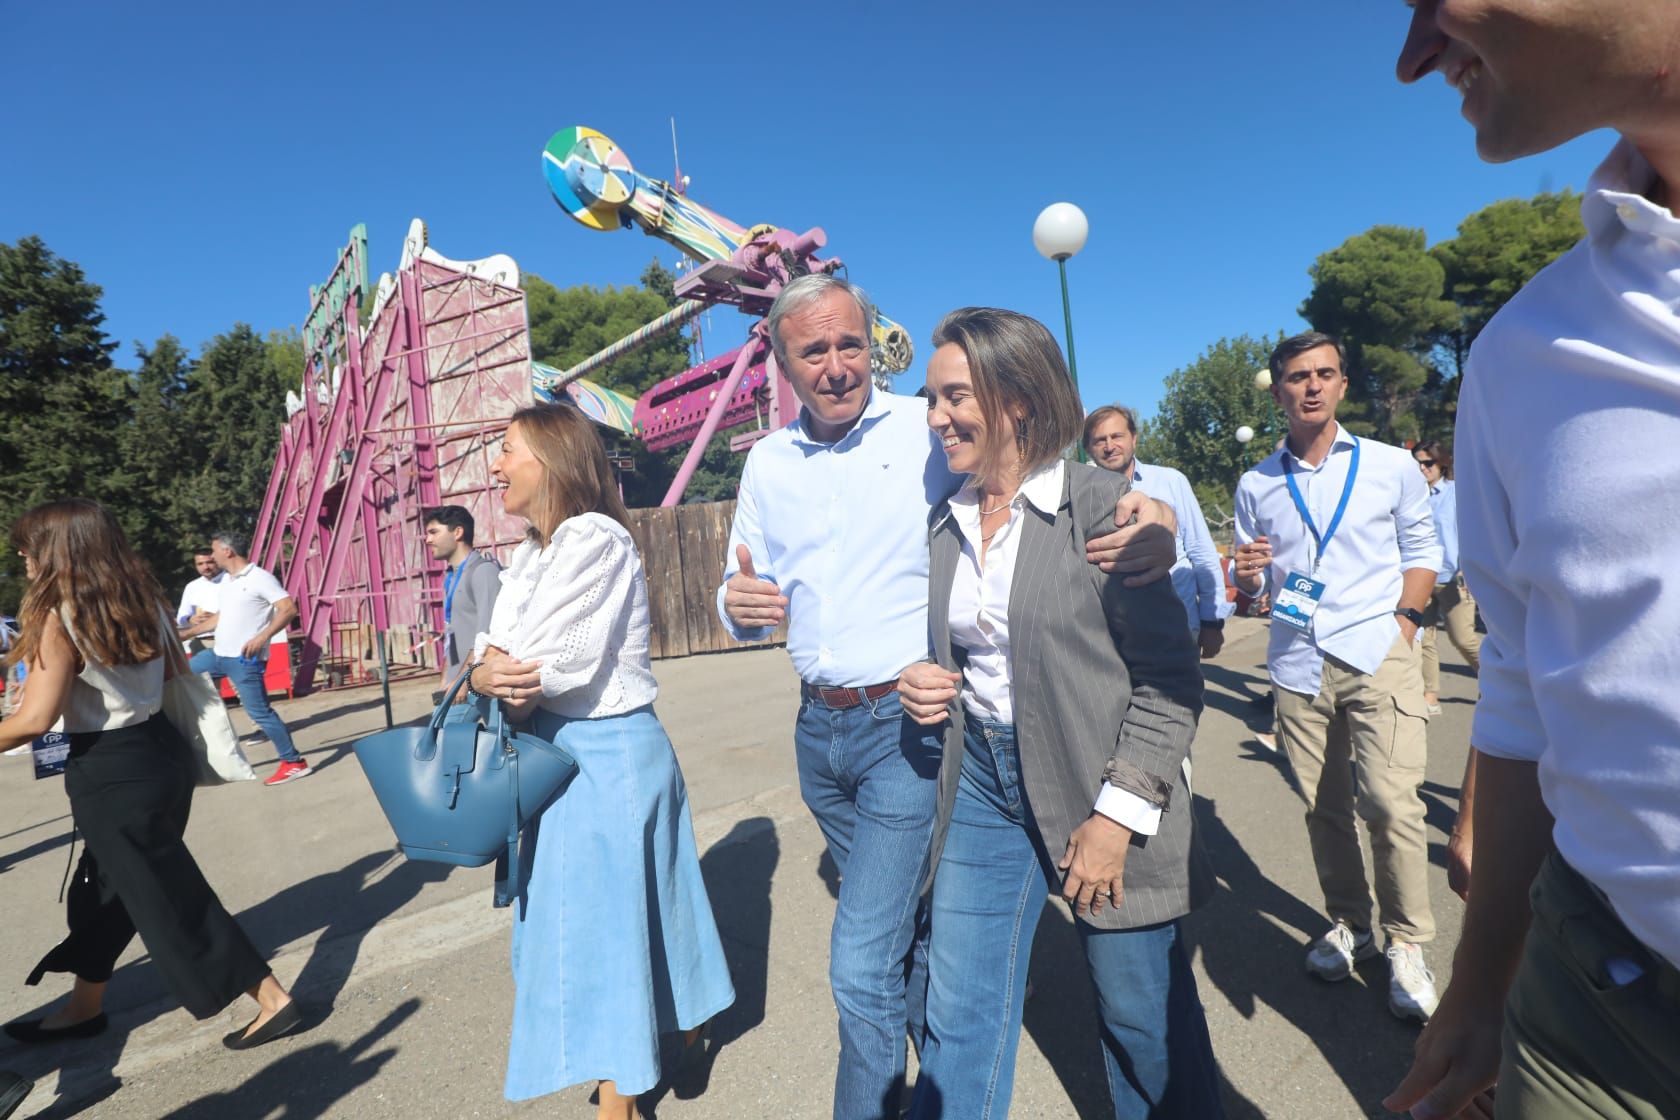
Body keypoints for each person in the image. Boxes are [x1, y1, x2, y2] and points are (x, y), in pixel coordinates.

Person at [716, 275, 1178, 1119]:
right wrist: (733, 606)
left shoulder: (943, 444)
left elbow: (1063, 493)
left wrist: (1153, 514)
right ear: (780, 363)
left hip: (990, 747)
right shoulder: (792, 468)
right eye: (811, 351)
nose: (836, 365)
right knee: (954, 997)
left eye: (850, 343)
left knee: (1135, 1019)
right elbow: (748, 582)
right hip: (885, 747)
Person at [1387, 8, 1680, 1118]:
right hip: (1597, 1009)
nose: (1412, 57)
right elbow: (1519, 675)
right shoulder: (1521, 353)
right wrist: (1477, 985)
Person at [900, 308, 1221, 1120]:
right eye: (930, 398)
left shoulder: (1107, 508)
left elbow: (1169, 681)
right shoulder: (945, 522)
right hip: (981, 784)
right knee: (959, 1008)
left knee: (1141, 1019)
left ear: (1017, 401)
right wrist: (922, 676)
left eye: (953, 397)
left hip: (1099, 777)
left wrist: (1115, 817)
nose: (935, 417)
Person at [467, 403, 734, 1120]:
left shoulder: (594, 538)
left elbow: (547, 666)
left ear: (551, 460)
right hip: (563, 751)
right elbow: (486, 653)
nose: (495, 464)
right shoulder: (532, 552)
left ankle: (620, 1100)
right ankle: (682, 1018)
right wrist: (487, 670)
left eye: (507, 448)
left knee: (607, 924)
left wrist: (492, 671)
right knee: (633, 909)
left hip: (607, 752)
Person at [0, 500, 300, 1056]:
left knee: (167, 894)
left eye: (28, 544)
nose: (21, 553)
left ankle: (271, 998)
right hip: (159, 753)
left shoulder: (56, 613)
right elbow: (176, 674)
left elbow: (35, 720)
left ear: (56, 550)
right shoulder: (146, 598)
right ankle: (83, 1008)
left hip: (110, 769)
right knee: (104, 892)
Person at [1231, 331, 1443, 1023]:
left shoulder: (1389, 467)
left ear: (1343, 384)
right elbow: (1253, 595)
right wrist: (1250, 577)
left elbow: (1423, 550)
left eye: (1324, 373)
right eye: (1297, 376)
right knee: (1324, 810)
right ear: (1280, 390)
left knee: (1388, 802)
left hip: (1378, 649)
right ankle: (1350, 921)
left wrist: (1405, 627)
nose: (1312, 386)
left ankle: (1407, 940)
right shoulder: (1257, 482)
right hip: (1297, 662)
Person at [1085, 403, 1234, 658]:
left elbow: (1200, 549)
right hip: (1113, 637)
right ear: (1088, 448)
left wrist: (1212, 620)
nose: (1109, 446)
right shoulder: (1084, 496)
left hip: (1176, 625)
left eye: (1116, 436)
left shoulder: (1170, 481)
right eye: (1100, 440)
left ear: (1134, 438)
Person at [206, 530, 307, 786]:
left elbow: (288, 609)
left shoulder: (260, 578)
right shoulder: (227, 581)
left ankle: (294, 762)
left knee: (260, 713)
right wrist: (184, 632)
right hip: (218, 656)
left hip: (243, 659)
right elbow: (221, 617)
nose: (212, 555)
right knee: (180, 675)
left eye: (214, 550)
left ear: (228, 551)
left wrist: (262, 637)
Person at [1410, 440, 1481, 715]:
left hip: (1454, 576)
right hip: (1421, 576)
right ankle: (1430, 695)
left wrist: (1467, 566)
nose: (1422, 468)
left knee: (1462, 637)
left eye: (1427, 463)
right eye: (1417, 463)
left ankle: (1495, 680)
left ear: (1442, 464)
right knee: (1424, 638)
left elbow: (1471, 529)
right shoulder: (1412, 495)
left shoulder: (1454, 493)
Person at [421, 505, 501, 687]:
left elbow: (488, 636)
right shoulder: (451, 577)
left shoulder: (483, 572)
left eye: (434, 532)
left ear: (457, 532)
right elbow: (452, 633)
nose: (428, 540)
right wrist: (446, 678)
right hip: (457, 682)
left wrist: (462, 683)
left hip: (478, 682)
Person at [174, 548, 223, 674]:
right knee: (208, 688)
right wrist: (190, 619)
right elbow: (181, 617)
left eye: (209, 562)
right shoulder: (192, 586)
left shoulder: (230, 580)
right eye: (200, 564)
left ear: (217, 561)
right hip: (201, 642)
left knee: (239, 683)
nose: (205, 567)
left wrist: (216, 618)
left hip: (228, 639)